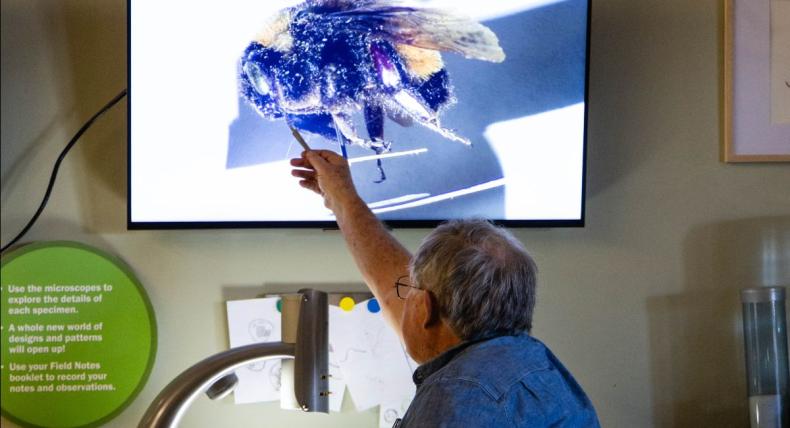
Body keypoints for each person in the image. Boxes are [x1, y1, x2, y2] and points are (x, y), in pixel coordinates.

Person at [290, 150, 600, 427]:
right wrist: (342, 199)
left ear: (424, 308)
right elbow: (395, 286)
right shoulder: (534, 365)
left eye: (408, 291)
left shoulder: (456, 397)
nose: (401, 297)